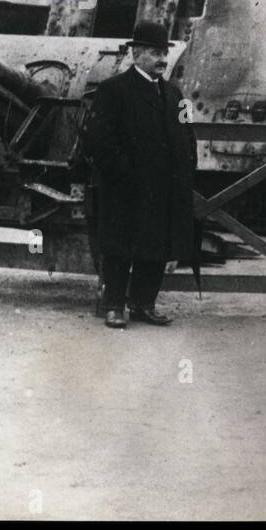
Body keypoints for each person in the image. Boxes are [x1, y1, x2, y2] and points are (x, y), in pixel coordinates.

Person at [84, 20, 197, 329]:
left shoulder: (174, 94)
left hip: (163, 187)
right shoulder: (112, 90)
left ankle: (144, 303)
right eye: (154, 53)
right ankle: (115, 306)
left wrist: (185, 174)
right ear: (136, 54)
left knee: (156, 246)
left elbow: (188, 138)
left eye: (164, 53)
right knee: (119, 247)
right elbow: (99, 141)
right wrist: (125, 174)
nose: (162, 59)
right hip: (125, 187)